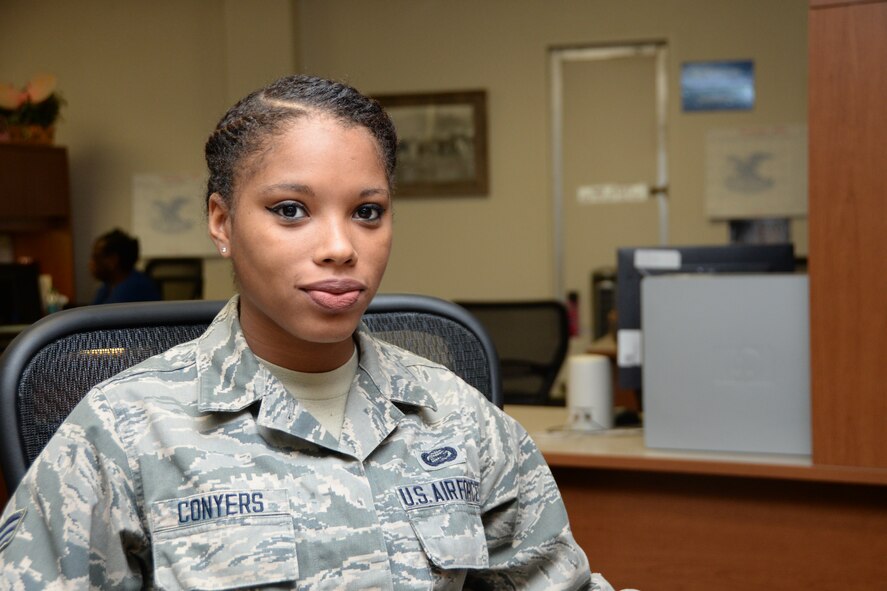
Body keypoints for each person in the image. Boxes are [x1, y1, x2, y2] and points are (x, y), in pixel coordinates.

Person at [0, 75, 615, 590]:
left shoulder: (455, 415)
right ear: (221, 222)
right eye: (291, 210)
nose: (340, 248)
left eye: (367, 212)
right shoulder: (123, 430)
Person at [89, 228, 162, 304]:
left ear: (113, 260)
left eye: (95, 257)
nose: (90, 263)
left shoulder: (134, 288)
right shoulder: (108, 286)